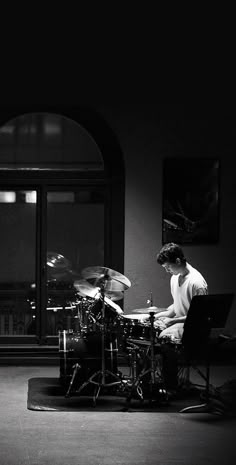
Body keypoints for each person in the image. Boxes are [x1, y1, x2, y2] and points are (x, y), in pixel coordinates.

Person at [154, 242, 208, 391]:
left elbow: (198, 316)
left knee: (165, 337)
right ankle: (150, 383)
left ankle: (170, 386)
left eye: (168, 267)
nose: (167, 271)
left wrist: (171, 321)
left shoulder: (197, 283)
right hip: (179, 323)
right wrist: (158, 315)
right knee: (150, 327)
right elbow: (177, 306)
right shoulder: (175, 277)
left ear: (178, 261)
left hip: (193, 328)